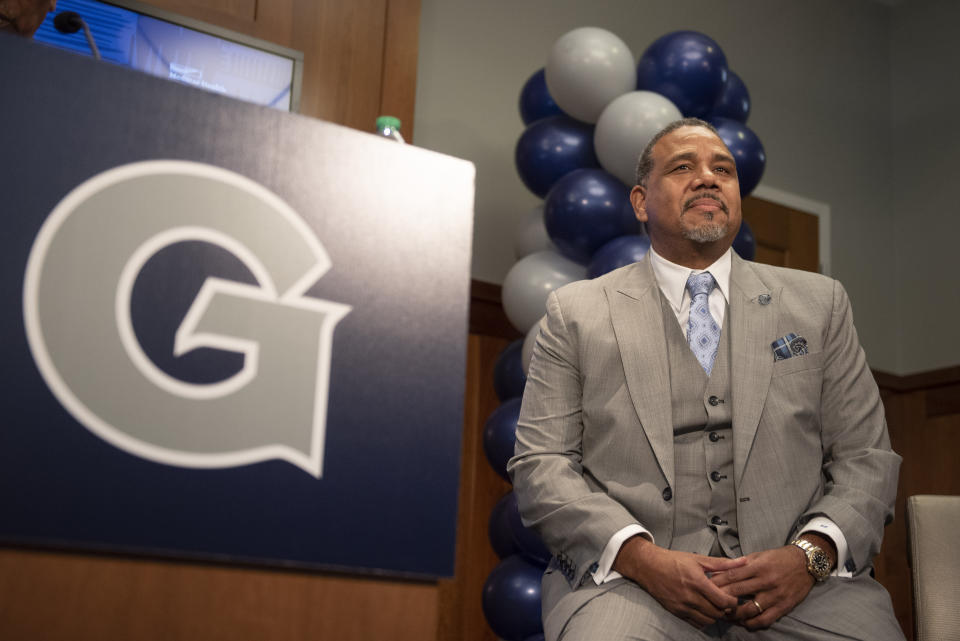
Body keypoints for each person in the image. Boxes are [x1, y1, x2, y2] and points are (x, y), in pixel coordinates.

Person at [508, 118, 904, 641]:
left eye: (724, 169)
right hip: (632, 587)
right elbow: (542, 465)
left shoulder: (820, 305)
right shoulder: (576, 313)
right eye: (682, 168)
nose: (708, 178)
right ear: (641, 202)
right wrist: (640, 557)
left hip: (805, 588)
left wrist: (808, 557)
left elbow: (866, 458)